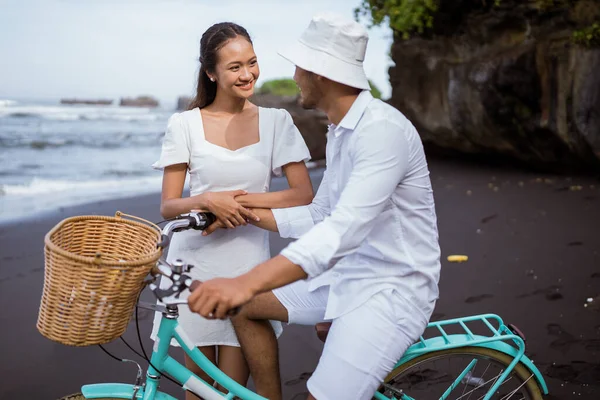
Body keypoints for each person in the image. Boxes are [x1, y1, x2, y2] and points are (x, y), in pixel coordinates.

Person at [188, 13, 441, 400]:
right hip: (346, 277)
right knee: (246, 307)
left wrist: (243, 282)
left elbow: (340, 230)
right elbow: (320, 213)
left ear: (322, 74)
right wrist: (239, 216)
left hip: (391, 289)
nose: (293, 77)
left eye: (300, 67)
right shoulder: (340, 130)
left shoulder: (381, 132)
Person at [150, 22, 314, 399]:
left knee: (233, 389)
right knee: (199, 390)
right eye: (234, 67)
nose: (248, 74)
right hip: (194, 266)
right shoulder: (185, 124)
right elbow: (170, 204)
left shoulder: (277, 121)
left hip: (249, 267)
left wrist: (233, 203)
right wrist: (207, 201)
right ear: (211, 72)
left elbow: (302, 193)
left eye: (252, 63)